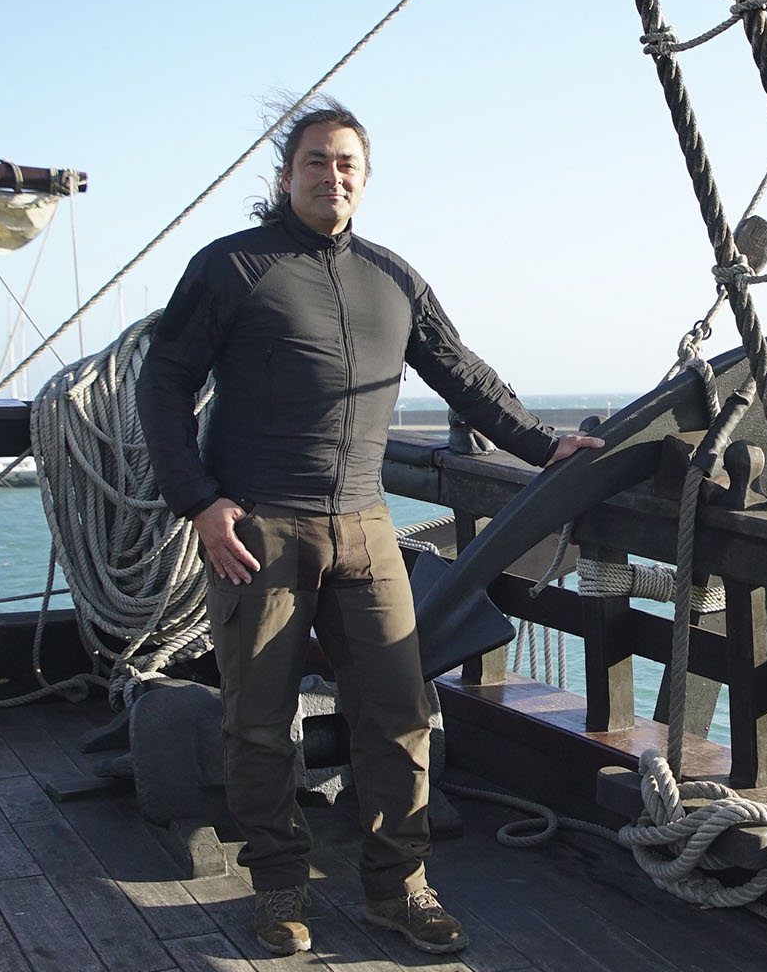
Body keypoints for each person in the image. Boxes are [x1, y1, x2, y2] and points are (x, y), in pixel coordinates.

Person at [137, 98, 601, 957]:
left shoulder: (391, 276)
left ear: (364, 179)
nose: (332, 176)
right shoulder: (231, 268)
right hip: (259, 527)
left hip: (365, 524)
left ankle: (400, 887)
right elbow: (162, 385)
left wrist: (545, 445)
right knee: (260, 719)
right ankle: (278, 887)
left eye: (347, 164)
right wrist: (198, 501)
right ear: (286, 176)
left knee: (398, 709)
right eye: (316, 161)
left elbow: (462, 373)